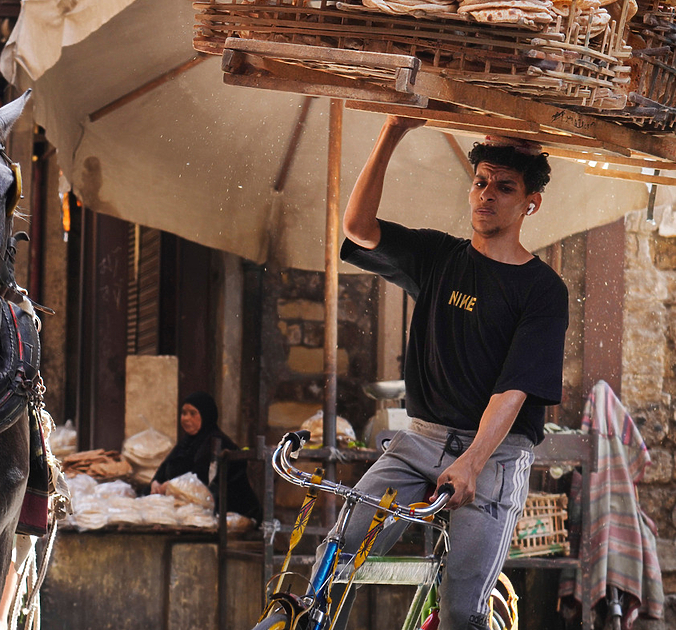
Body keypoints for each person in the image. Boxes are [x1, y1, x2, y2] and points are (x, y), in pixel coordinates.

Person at [263, 117, 567, 630]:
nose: (486, 195)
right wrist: (392, 130)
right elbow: (358, 227)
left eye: (504, 187)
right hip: (420, 440)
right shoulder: (438, 256)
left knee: (461, 612)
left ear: (530, 203)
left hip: (494, 454)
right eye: (480, 182)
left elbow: (513, 389)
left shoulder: (543, 290)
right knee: (331, 566)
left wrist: (471, 463)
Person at [151, 391, 262, 521]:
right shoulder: (185, 444)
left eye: (193, 413)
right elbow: (165, 468)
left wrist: (170, 486)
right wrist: (156, 482)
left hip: (229, 515)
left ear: (206, 415)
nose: (186, 418)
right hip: (192, 511)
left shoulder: (216, 442)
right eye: (184, 413)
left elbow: (201, 479)